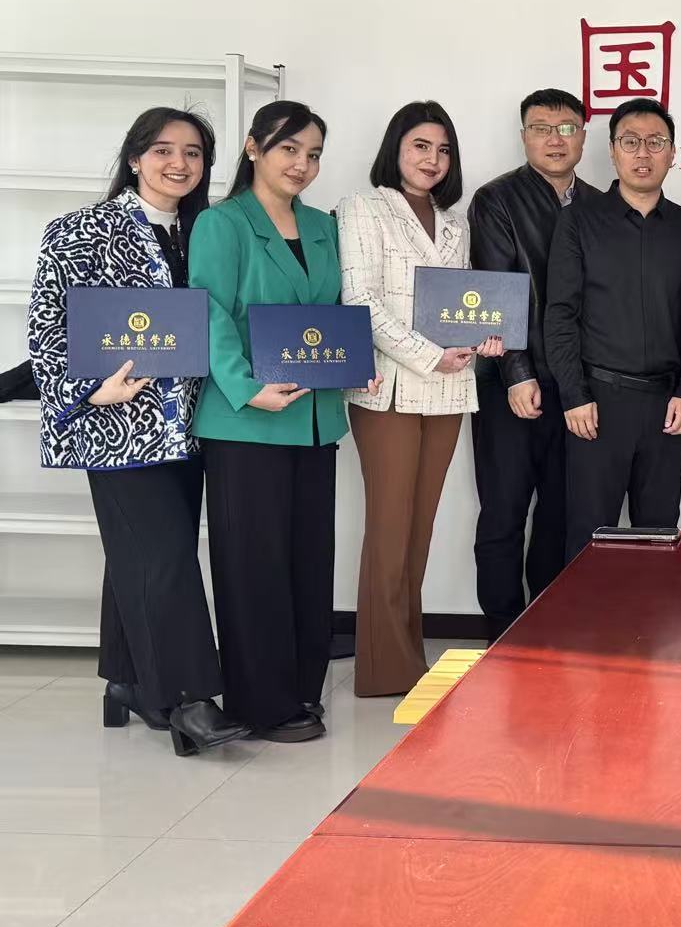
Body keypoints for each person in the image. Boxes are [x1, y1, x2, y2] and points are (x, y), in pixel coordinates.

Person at [28, 107, 247, 756]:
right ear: (134, 157)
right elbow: (46, 326)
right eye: (163, 150)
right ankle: (190, 699)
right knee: (165, 556)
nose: (179, 164)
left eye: (193, 153)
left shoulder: (206, 231)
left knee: (146, 552)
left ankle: (125, 680)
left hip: (190, 426)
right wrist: (92, 390)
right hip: (117, 427)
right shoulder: (82, 230)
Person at [191, 101, 377, 743]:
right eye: (289, 149)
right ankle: (259, 703)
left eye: (314, 154)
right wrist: (247, 389)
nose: (302, 164)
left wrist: (355, 363)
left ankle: (300, 690)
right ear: (253, 148)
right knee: (254, 565)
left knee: (306, 560)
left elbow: (335, 312)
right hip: (245, 423)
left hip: (315, 420)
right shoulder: (222, 223)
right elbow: (208, 312)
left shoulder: (322, 225)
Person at [338, 101, 501, 696]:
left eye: (443, 150)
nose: (433, 160)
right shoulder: (363, 208)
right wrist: (429, 354)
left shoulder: (455, 222)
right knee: (389, 527)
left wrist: (482, 337)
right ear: (396, 149)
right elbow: (360, 300)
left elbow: (460, 304)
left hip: (450, 389)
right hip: (388, 386)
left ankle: (408, 656)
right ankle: (385, 667)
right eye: (421, 146)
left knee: (419, 528)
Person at [544, 98, 681, 557]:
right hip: (597, 403)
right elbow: (560, 313)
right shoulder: (578, 220)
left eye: (655, 142)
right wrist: (574, 395)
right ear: (613, 151)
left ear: (672, 153)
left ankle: (649, 612)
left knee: (659, 536)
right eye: (630, 142)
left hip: (668, 406)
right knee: (588, 539)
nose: (643, 153)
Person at [467, 88, 596, 642]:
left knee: (561, 514)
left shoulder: (598, 204)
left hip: (576, 386)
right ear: (524, 137)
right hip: (511, 385)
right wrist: (517, 375)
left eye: (566, 128)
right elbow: (499, 290)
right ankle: (501, 632)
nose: (554, 139)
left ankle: (544, 630)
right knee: (504, 511)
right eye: (541, 128)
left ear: (583, 136)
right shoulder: (497, 199)